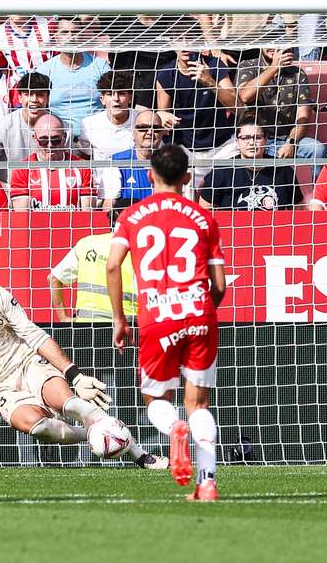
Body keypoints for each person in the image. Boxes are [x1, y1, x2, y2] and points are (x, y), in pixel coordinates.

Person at [0, 247, 167, 469]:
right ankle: (100, 433)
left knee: (70, 404)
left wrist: (75, 375)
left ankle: (141, 456)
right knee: (39, 427)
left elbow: (34, 335)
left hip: (28, 365)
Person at [107, 144, 227, 501]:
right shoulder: (203, 217)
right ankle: (207, 484)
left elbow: (113, 265)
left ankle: (174, 427)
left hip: (157, 317)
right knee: (200, 405)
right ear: (188, 177)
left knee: (157, 398)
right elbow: (218, 283)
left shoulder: (131, 215)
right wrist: (204, 309)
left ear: (149, 175)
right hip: (199, 312)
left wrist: (119, 319)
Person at [156, 49, 238, 184]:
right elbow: (163, 114)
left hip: (222, 147)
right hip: (185, 149)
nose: (185, 45)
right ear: (172, 44)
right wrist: (161, 116)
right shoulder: (165, 73)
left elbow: (236, 106)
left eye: (189, 39)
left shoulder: (215, 65)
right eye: (179, 39)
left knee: (229, 191)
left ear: (199, 43)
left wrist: (209, 81)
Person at [236, 46, 327, 162]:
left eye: (281, 43)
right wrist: (274, 67)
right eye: (270, 42)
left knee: (317, 149)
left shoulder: (297, 73)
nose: (275, 47)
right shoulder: (248, 66)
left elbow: (303, 116)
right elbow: (245, 96)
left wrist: (291, 142)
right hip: (253, 139)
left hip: (285, 139)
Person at [49, 203, 137, 322]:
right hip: (128, 327)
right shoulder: (142, 251)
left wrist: (63, 318)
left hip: (87, 325)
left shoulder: (87, 243)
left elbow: (54, 278)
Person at [33, 17, 112, 139]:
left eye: (75, 32)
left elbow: (113, 102)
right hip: (58, 139)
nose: (71, 37)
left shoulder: (101, 66)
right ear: (56, 37)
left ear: (82, 37)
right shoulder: (44, 71)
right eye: (65, 32)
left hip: (97, 135)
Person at [198, 120, 304, 211]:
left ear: (266, 140)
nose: (252, 142)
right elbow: (205, 208)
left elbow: (298, 208)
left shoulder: (283, 170)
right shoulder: (222, 171)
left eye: (257, 137)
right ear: (237, 142)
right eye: (245, 138)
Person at [11, 114, 96, 211]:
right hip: (36, 225)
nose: (50, 145)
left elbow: (88, 215)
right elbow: (22, 217)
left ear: (64, 137)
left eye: (56, 140)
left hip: (72, 225)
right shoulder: (22, 169)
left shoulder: (82, 167)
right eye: (43, 140)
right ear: (35, 138)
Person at [0, 72, 51, 183]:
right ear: (20, 97)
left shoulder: (61, 127)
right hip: (10, 188)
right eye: (28, 94)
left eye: (40, 95)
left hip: (49, 186)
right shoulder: (1, 126)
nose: (34, 99)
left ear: (48, 98)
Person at [102, 109, 164, 210]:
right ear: (133, 132)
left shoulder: (172, 163)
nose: (150, 132)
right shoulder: (116, 163)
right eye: (143, 128)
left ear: (162, 133)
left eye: (156, 128)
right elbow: (109, 206)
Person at [80, 71, 137, 162]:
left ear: (130, 98)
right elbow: (85, 156)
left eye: (121, 93)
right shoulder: (89, 124)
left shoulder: (142, 120)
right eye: (110, 94)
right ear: (102, 99)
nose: (116, 99)